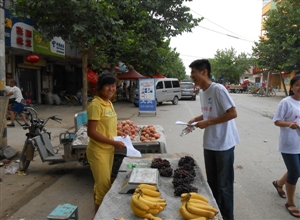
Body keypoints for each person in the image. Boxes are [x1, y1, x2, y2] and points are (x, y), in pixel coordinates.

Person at [187, 59, 240, 220]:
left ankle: (227, 217)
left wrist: (208, 122)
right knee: (212, 184)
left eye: (193, 73)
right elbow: (210, 113)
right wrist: (195, 120)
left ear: (204, 72)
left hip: (224, 144)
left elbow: (232, 113)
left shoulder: (218, 89)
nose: (191, 77)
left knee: (224, 186)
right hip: (209, 144)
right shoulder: (203, 92)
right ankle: (215, 215)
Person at [86, 71, 126, 215]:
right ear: (100, 87)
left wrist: (118, 133)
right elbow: (91, 132)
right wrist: (113, 142)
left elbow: (107, 126)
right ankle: (100, 217)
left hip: (108, 150)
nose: (111, 89)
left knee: (100, 185)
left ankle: (96, 214)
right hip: (98, 151)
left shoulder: (108, 102)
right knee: (104, 189)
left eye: (113, 85)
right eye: (107, 86)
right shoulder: (96, 105)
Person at [272, 74, 300, 218]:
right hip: (289, 143)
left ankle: (279, 183)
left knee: (296, 170)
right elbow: (277, 121)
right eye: (297, 85)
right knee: (295, 171)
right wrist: (289, 124)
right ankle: (290, 202)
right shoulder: (286, 102)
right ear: (292, 87)